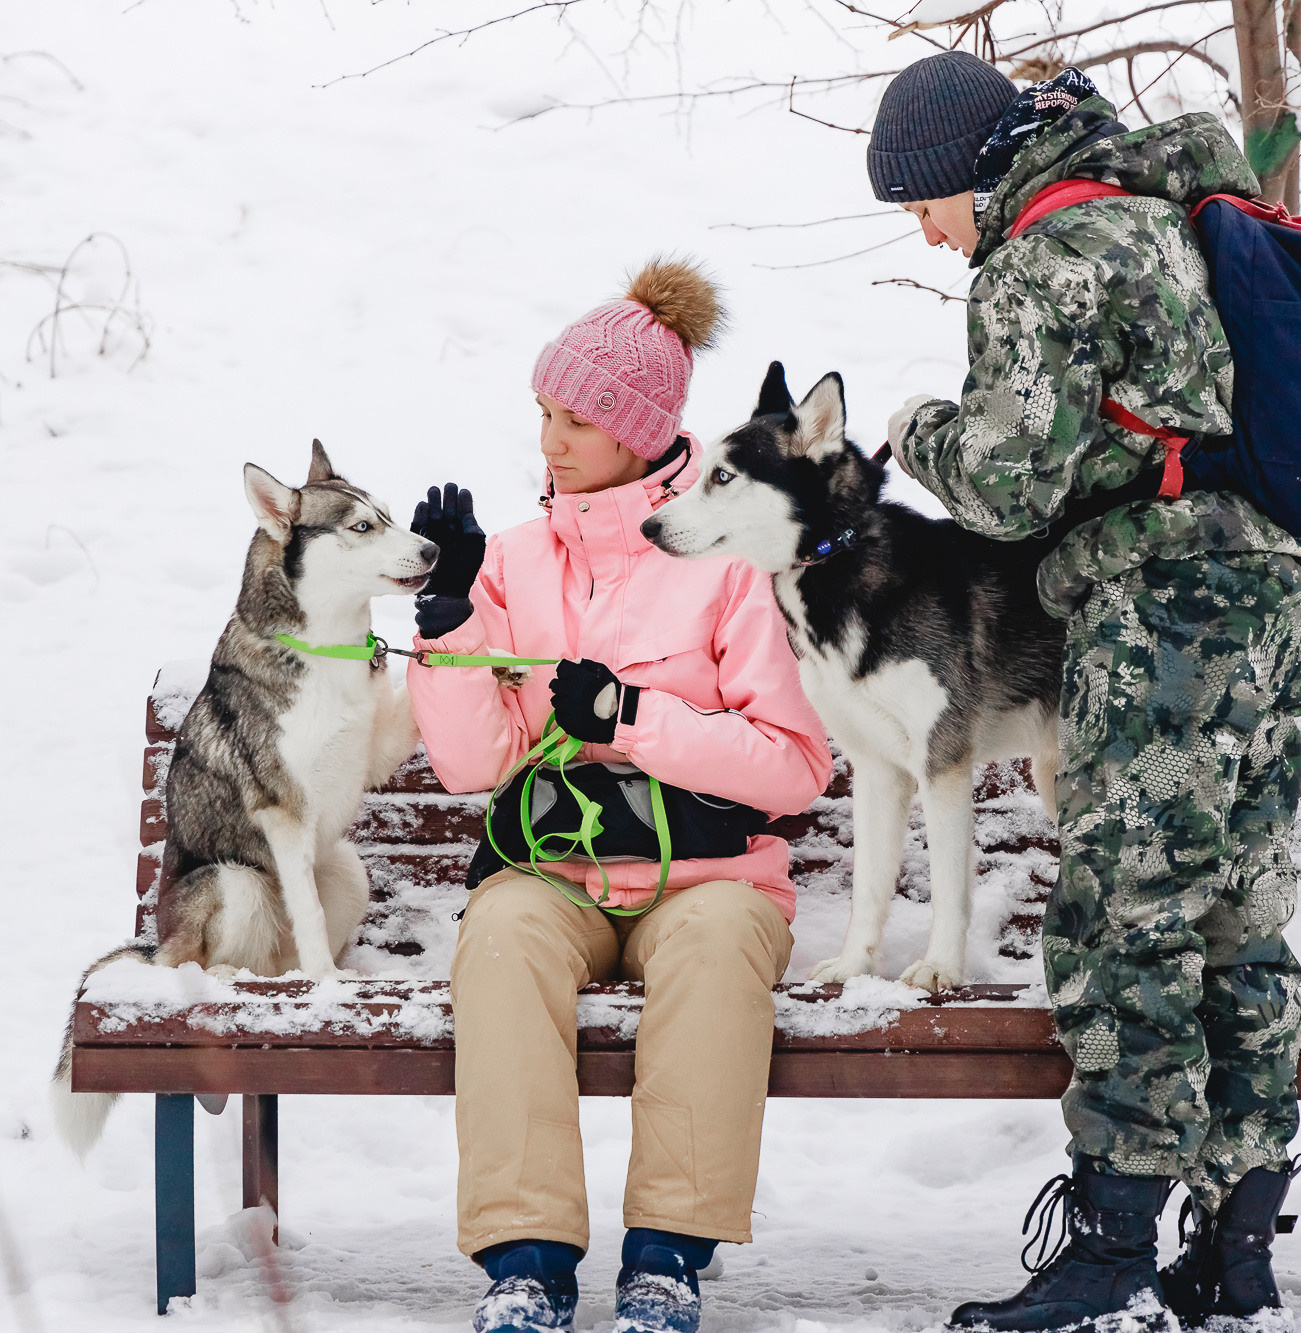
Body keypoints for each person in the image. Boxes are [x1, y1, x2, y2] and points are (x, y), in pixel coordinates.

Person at [867, 53, 1301, 1332]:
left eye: (922, 203)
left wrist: (918, 429)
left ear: (969, 173)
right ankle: (1235, 1249)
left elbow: (1008, 484)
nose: (925, 231)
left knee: (1128, 923)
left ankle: (1112, 1252)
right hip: (1265, 605)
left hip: (1158, 625)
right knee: (1236, 920)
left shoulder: (1041, 257)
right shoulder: (1165, 212)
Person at [405, 258, 833, 1333]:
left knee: (717, 947)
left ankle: (666, 1261)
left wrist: (633, 719)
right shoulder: (510, 562)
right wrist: (451, 621)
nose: (550, 442)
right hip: (554, 873)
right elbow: (472, 764)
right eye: (544, 414)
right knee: (500, 938)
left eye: (578, 421)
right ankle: (525, 1261)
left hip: (711, 876)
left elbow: (795, 765)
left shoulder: (726, 562)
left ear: (640, 433)